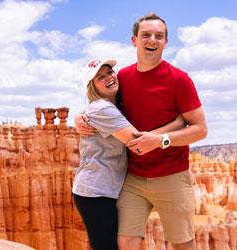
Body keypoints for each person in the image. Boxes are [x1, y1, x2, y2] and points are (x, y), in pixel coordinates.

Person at [75, 13, 207, 250]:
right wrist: (80, 117)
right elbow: (102, 104)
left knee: (182, 244)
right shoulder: (123, 77)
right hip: (133, 179)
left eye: (159, 36)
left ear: (166, 42)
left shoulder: (179, 79)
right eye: (146, 35)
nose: (152, 40)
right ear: (134, 40)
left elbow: (200, 130)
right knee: (125, 243)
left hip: (172, 176)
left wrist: (161, 140)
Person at [73, 58, 185, 250]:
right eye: (100, 77)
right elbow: (138, 144)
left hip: (105, 189)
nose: (109, 77)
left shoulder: (111, 106)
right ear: (92, 87)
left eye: (110, 72)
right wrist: (179, 123)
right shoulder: (103, 108)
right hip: (95, 192)